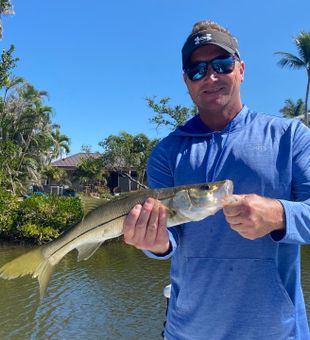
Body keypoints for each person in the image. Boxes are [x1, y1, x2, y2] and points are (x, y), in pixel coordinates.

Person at [123, 19, 310, 340]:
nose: (210, 77)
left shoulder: (290, 136)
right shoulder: (167, 152)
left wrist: (280, 215)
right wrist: (154, 244)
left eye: (222, 64)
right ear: (186, 81)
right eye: (197, 70)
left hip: (276, 332)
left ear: (241, 69)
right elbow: (169, 240)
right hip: (188, 331)